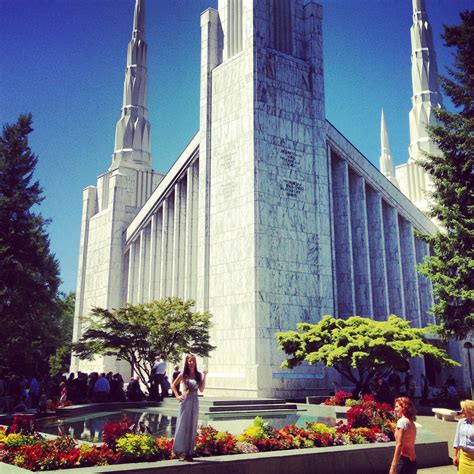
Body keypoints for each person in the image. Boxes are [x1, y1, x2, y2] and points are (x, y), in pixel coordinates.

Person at [172, 354, 207, 461]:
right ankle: (181, 451)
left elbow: (201, 389)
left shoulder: (198, 375)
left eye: (193, 361)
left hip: (195, 401)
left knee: (192, 425)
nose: (191, 363)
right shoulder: (183, 374)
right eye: (189, 361)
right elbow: (173, 385)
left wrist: (205, 375)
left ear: (195, 362)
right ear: (187, 363)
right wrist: (178, 395)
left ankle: (189, 451)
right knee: (183, 425)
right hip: (185, 401)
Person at [389, 396, 417, 474]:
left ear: (404, 407)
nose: (395, 409)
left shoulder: (402, 422)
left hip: (403, 462)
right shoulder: (411, 423)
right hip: (412, 462)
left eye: (397, 406)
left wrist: (393, 466)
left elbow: (399, 445)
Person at [452, 399, 474, 473]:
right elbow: (457, 441)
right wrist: (455, 456)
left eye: (463, 410)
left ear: (470, 411)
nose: (461, 411)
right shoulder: (461, 422)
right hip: (463, 458)